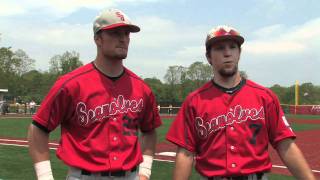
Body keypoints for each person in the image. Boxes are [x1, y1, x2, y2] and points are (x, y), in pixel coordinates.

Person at [166, 25, 316, 180]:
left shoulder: (264, 96)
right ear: (208, 57)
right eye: (219, 48)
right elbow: (185, 153)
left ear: (239, 53)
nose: (227, 53)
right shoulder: (194, 101)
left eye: (233, 47)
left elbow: (285, 145)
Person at [28, 8, 162, 180]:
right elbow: (38, 129)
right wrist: (45, 176)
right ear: (97, 39)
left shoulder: (141, 88)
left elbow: (149, 131)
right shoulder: (71, 84)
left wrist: (145, 172)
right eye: (115, 33)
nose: (123, 39)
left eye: (127, 33)